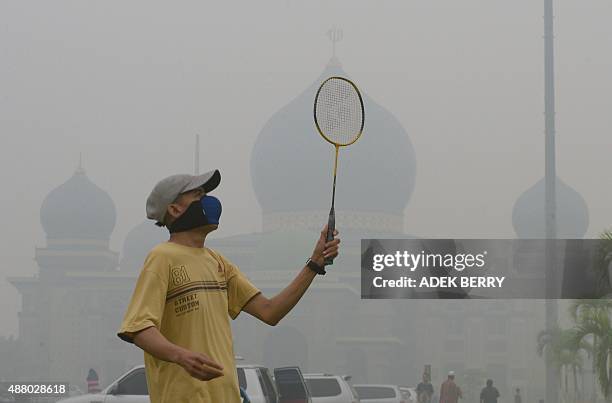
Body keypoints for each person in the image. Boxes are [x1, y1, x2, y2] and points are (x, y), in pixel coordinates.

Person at [117, 170, 340, 403]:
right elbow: (139, 329)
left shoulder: (218, 262)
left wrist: (314, 263)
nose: (207, 201)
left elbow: (270, 311)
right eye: (198, 194)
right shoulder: (162, 258)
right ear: (174, 209)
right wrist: (181, 356)